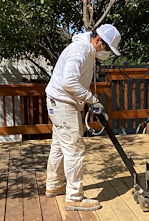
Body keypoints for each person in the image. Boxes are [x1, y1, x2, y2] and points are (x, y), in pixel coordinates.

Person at [45, 24, 121, 211]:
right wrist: (91, 99)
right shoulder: (79, 51)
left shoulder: (86, 50)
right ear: (97, 40)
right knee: (75, 150)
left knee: (59, 146)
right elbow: (68, 82)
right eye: (107, 48)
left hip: (59, 103)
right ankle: (74, 197)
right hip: (63, 104)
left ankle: (54, 185)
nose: (106, 53)